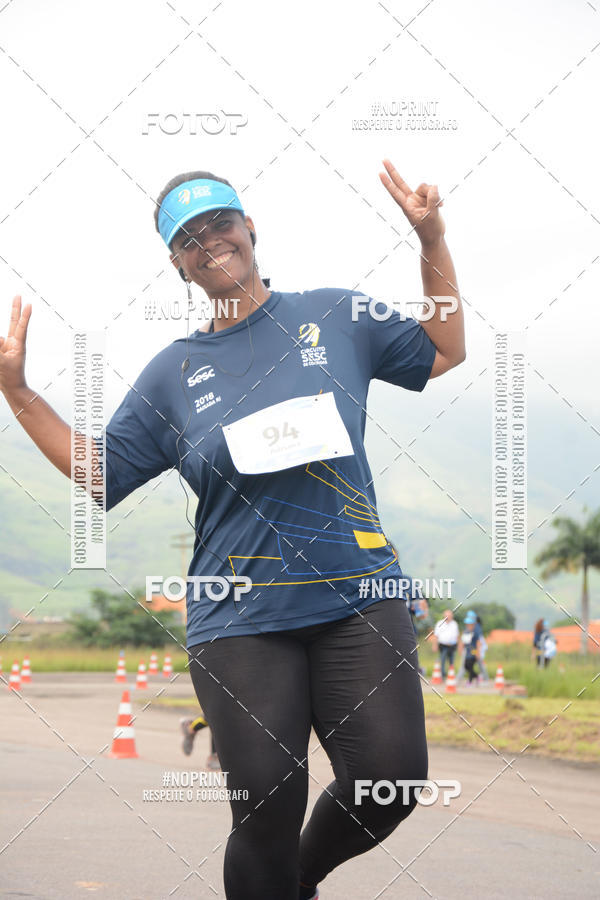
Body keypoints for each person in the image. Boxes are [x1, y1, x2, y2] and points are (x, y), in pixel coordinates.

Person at [0, 161, 465, 900]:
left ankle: (297, 881)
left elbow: (444, 349)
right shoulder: (173, 373)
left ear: (251, 227)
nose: (209, 240)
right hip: (240, 617)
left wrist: (431, 239)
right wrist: (19, 392)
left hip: (359, 596)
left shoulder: (335, 315)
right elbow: (100, 475)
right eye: (188, 237)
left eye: (219, 221)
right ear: (179, 265)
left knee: (391, 781)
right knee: (268, 804)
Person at [433, 609, 459, 678]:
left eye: (449, 616)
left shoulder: (454, 624)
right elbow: (436, 635)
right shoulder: (439, 623)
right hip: (443, 645)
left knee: (452, 661)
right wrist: (435, 645)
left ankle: (451, 675)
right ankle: (443, 676)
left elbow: (457, 636)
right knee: (442, 660)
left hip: (452, 645)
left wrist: (458, 647)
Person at [459, 611, 480, 685]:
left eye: (469, 624)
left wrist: (478, 653)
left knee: (470, 666)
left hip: (473, 652)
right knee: (466, 666)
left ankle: (470, 681)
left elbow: (478, 643)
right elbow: (462, 641)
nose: (468, 625)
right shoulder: (465, 632)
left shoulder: (475, 632)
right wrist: (460, 649)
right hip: (467, 652)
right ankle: (476, 676)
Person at [475, 614, 489, 682]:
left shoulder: (477, 628)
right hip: (479, 650)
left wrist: (478, 651)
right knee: (480, 665)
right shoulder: (479, 627)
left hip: (479, 650)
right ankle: (483, 678)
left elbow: (479, 641)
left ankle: (484, 678)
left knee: (481, 665)